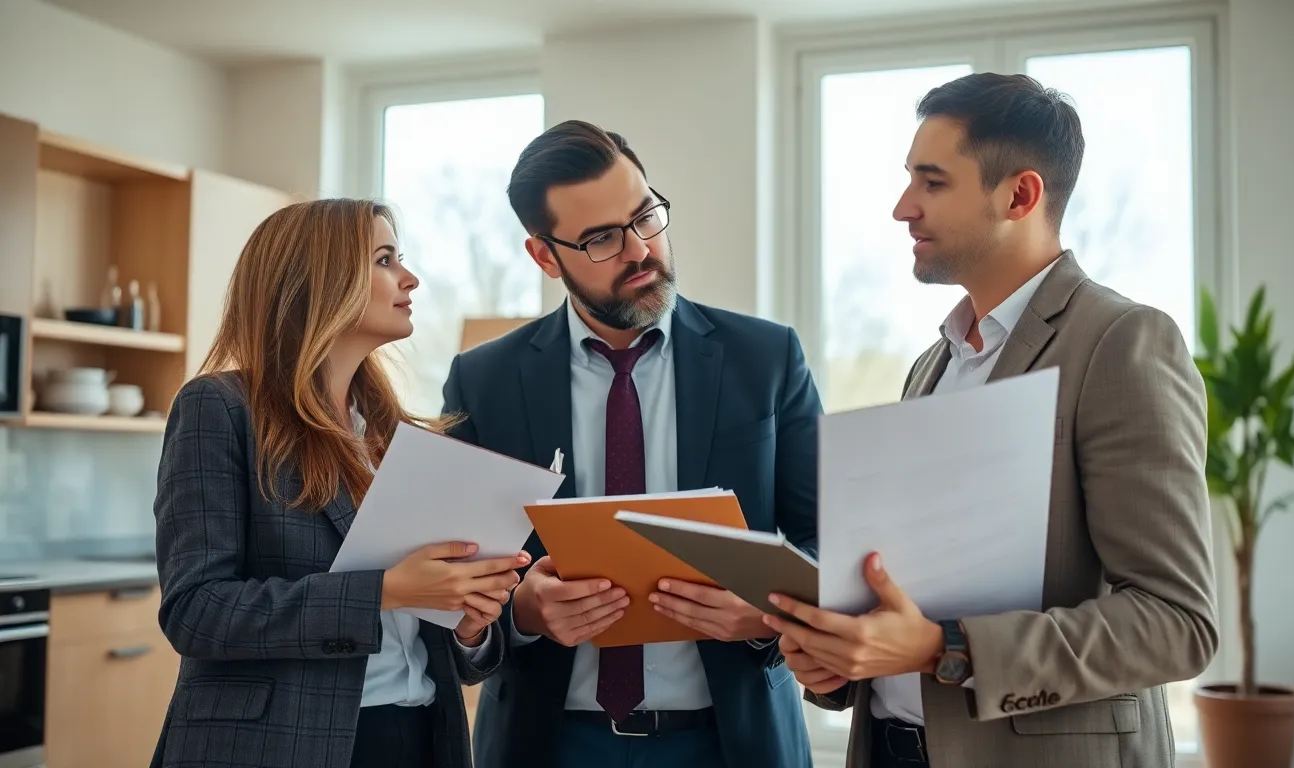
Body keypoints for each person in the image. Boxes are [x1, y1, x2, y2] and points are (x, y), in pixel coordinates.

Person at [766, 73, 1219, 768]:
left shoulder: (1121, 342)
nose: (902, 208)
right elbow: (917, 593)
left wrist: (943, 648)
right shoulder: (933, 364)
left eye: (932, 182)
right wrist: (841, 660)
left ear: (1020, 196)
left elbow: (1176, 623)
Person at [440, 120, 821, 768]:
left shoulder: (766, 359)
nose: (641, 250)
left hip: (732, 742)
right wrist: (523, 612)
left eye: (646, 216)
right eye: (602, 239)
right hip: (549, 744)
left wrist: (765, 610)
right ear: (545, 256)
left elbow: (827, 540)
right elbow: (454, 577)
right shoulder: (484, 380)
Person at [151, 199, 529, 768]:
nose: (409, 278)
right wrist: (385, 590)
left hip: (420, 735)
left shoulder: (390, 433)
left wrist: (468, 624)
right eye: (385, 260)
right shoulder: (220, 407)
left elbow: (430, 640)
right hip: (279, 747)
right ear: (319, 281)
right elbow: (196, 610)